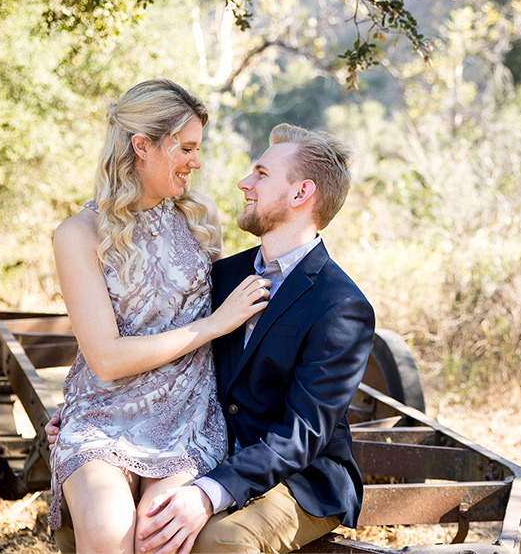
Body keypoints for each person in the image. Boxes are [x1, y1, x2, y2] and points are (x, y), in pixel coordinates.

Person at [49, 123, 375, 554]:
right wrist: (91, 406)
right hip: (206, 444)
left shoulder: (341, 306)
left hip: (299, 473)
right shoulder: (222, 276)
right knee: (121, 526)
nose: (244, 183)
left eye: (260, 173)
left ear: (301, 194)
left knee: (215, 540)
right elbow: (177, 352)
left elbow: (301, 436)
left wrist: (208, 492)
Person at [47, 79, 272, 554]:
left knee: (158, 532)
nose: (196, 161)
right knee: (109, 531)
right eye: (186, 148)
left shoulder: (201, 218)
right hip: (104, 417)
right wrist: (212, 326)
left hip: (187, 416)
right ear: (142, 146)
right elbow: (105, 359)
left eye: (198, 148)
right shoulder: (78, 235)